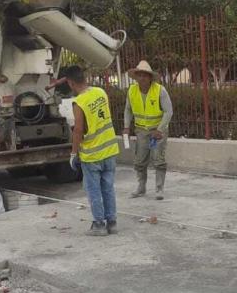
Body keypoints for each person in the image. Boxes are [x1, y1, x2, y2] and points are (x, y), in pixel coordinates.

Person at [64, 65, 119, 236]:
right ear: (84, 78)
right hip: (109, 149)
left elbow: (78, 130)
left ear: (71, 83)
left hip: (92, 154)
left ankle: (99, 225)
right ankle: (112, 223)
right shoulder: (100, 92)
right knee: (108, 187)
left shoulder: (79, 102)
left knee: (94, 190)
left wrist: (74, 153)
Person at [122, 60, 173, 200]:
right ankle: (141, 187)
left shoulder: (160, 90)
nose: (142, 78)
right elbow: (128, 109)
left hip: (157, 131)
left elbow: (169, 112)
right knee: (139, 161)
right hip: (141, 131)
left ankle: (159, 189)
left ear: (150, 77)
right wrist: (126, 127)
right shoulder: (132, 91)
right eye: (139, 75)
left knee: (158, 160)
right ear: (136, 77)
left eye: (145, 75)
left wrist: (160, 129)